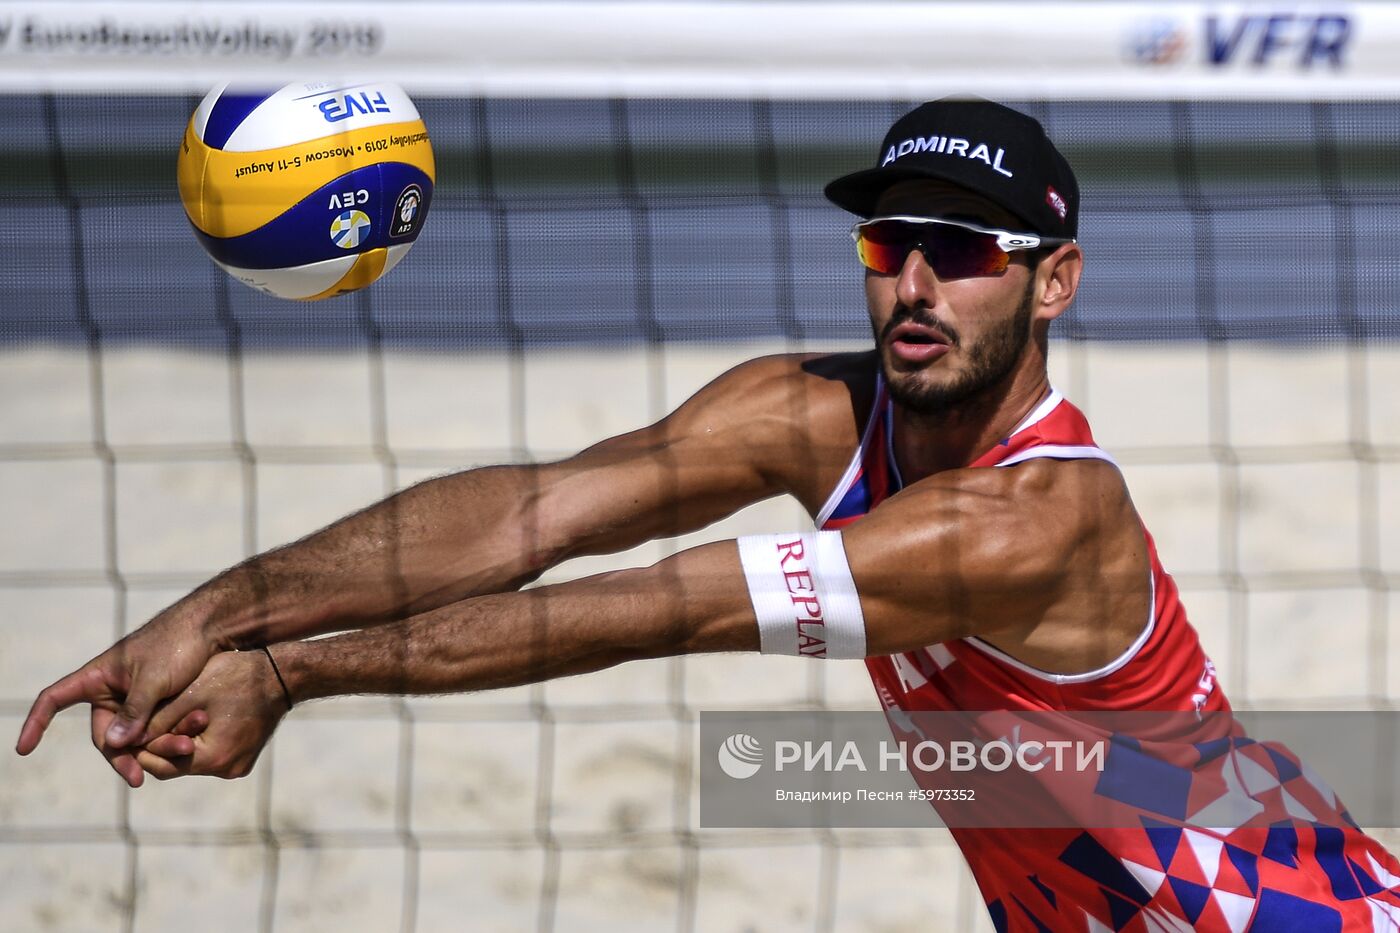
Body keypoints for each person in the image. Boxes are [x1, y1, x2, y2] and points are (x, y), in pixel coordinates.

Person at [16, 98, 1400, 931]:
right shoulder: (810, 409)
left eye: (964, 250)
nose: (915, 284)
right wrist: (212, 612)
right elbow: (537, 515)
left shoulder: (1037, 520)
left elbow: (650, 609)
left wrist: (291, 673)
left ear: (1055, 282)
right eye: (889, 243)